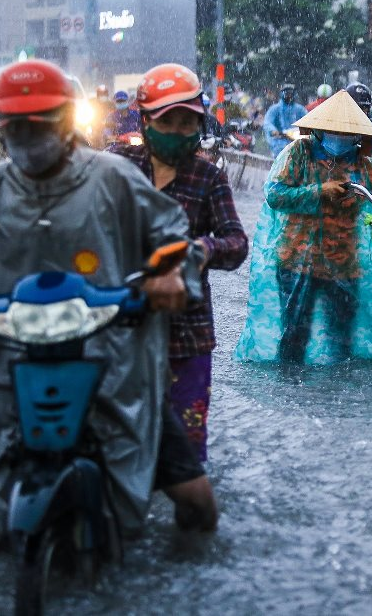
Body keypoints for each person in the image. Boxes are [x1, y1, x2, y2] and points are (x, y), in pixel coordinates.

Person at [0, 60, 217, 550]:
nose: (26, 137)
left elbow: (172, 238)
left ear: (64, 123)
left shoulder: (114, 178)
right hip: (3, 360)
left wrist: (168, 276)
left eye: (37, 125)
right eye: (14, 126)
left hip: (109, 358)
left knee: (197, 501)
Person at [234, 90, 372, 364]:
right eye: (333, 132)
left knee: (343, 345)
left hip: (343, 264)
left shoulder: (364, 166)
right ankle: (290, 396)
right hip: (297, 261)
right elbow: (275, 194)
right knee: (294, 338)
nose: (340, 139)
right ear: (320, 131)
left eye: (347, 134)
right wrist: (318, 191)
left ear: (358, 137)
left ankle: (340, 401)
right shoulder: (298, 154)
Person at [108, 63, 248, 462]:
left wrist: (201, 249)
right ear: (146, 120)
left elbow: (236, 243)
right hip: (119, 326)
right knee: (117, 442)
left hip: (186, 331)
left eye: (188, 124)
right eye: (168, 123)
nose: (178, 133)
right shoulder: (118, 166)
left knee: (184, 448)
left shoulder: (209, 177)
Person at [263, 83, 308, 157]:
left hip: (296, 138)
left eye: (291, 93)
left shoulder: (300, 109)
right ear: (282, 94)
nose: (289, 95)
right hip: (280, 139)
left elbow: (307, 121)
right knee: (281, 153)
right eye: (286, 93)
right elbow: (267, 122)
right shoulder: (275, 109)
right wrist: (273, 130)